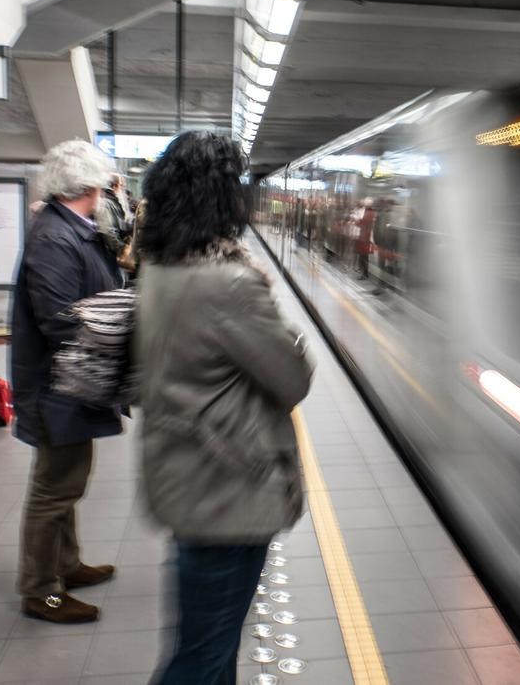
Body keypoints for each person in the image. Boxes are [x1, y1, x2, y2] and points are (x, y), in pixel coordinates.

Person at [135, 131, 313, 685]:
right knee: (202, 657)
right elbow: (292, 378)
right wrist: (291, 335)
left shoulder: (161, 269)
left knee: (208, 646)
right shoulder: (229, 283)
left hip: (187, 474)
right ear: (221, 199)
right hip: (230, 484)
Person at [13, 140, 124, 624]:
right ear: (90, 186)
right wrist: (120, 325)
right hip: (59, 384)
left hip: (75, 383)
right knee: (54, 488)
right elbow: (60, 319)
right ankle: (41, 590)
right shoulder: (55, 237)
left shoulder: (73, 230)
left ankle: (67, 564)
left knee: (67, 480)